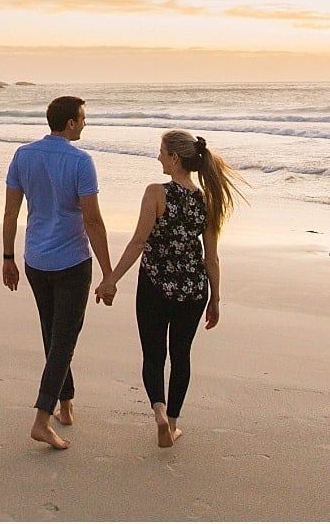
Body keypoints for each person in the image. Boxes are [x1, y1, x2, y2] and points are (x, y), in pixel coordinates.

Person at [96, 129, 247, 448]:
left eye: (161, 151)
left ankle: (160, 413)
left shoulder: (156, 193)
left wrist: (112, 279)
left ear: (175, 158)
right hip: (193, 289)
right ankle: (174, 423)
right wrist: (216, 298)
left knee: (153, 354)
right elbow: (212, 256)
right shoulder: (208, 199)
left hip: (154, 285)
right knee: (181, 355)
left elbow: (138, 242)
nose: (158, 156)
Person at [2, 95, 115, 450]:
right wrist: (108, 273)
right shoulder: (81, 162)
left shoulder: (24, 155)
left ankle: (65, 406)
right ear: (69, 123)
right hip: (70, 262)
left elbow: (10, 213)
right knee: (63, 340)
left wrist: (8, 257)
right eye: (82, 118)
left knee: (54, 336)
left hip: (35, 259)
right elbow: (93, 221)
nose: (84, 124)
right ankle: (41, 419)